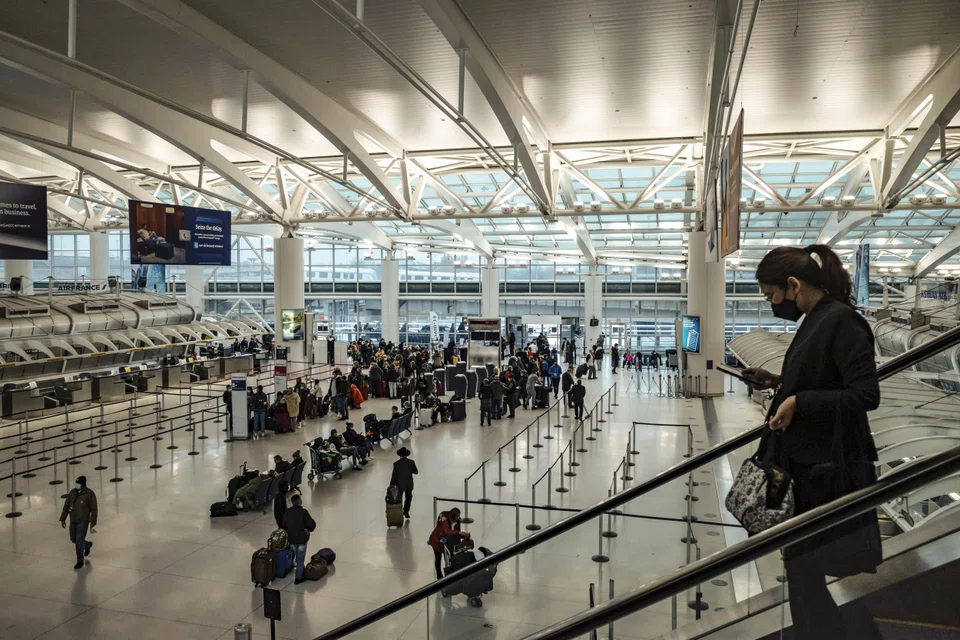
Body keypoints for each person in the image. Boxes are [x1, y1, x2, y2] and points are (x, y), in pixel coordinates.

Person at [744, 244, 882, 640]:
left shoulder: (842, 322)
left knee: (805, 574)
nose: (772, 304)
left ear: (793, 284)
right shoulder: (815, 319)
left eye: (772, 295)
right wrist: (777, 382)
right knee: (802, 575)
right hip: (807, 473)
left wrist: (800, 400)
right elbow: (822, 378)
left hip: (825, 476)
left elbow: (864, 395)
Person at [59, 475, 97, 570]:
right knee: (73, 539)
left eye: (78, 484)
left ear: (83, 485)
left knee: (79, 540)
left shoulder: (89, 494)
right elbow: (66, 506)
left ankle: (80, 560)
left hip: (83, 521)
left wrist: (93, 521)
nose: (76, 485)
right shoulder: (72, 493)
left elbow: (94, 509)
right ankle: (87, 545)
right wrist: (63, 518)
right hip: (73, 520)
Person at [282, 494, 317, 585]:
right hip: (301, 539)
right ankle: (298, 578)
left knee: (296, 556)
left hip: (291, 539)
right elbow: (312, 525)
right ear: (300, 501)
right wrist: (307, 530)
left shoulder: (287, 511)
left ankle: (293, 568)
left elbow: (284, 525)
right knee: (300, 559)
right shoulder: (304, 512)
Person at [427, 508, 466, 580]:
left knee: (448, 558)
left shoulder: (457, 521)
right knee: (438, 558)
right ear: (453, 516)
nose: (459, 518)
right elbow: (447, 531)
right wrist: (458, 533)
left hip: (447, 541)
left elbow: (456, 533)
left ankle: (450, 574)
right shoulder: (444, 519)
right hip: (437, 540)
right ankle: (439, 575)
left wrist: (463, 535)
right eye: (457, 516)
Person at [390, 447, 419, 519]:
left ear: (399, 455)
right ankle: (406, 511)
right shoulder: (411, 462)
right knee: (408, 498)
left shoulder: (396, 464)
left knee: (399, 499)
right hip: (409, 484)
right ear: (407, 455)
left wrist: (391, 485)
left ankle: (399, 512)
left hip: (399, 484)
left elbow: (394, 475)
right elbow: (416, 472)